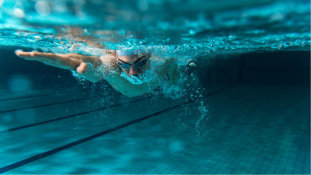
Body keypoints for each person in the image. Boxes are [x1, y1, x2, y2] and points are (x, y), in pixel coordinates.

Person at [15, 49, 180, 97]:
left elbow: (174, 77)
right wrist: (75, 64)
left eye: (141, 63)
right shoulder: (110, 63)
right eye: (123, 65)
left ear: (149, 55)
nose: (133, 72)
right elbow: (97, 64)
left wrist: (173, 86)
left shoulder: (166, 61)